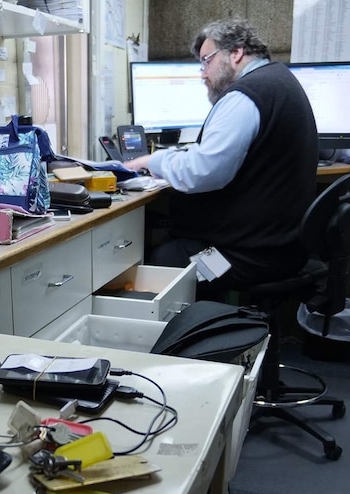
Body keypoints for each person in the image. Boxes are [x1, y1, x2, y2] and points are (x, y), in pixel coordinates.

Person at [125, 19, 318, 294]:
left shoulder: (245, 96)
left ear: (236, 53)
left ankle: (199, 333)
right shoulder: (279, 81)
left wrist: (153, 162)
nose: (202, 74)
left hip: (248, 256)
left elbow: (203, 172)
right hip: (281, 246)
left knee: (166, 262)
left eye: (206, 61)